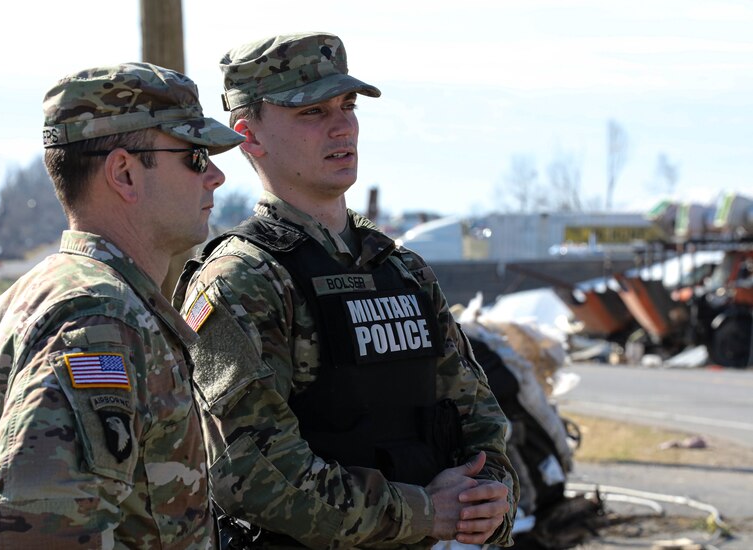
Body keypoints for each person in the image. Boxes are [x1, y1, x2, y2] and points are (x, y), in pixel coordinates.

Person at [173, 32, 519, 548]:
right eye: (311, 112)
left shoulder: (402, 270)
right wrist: (424, 513)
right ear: (249, 136)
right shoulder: (242, 281)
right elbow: (253, 475)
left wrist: (490, 495)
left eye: (348, 105)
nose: (342, 126)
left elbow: (480, 419)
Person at [0, 62, 244, 547]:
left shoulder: (28, 300)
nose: (217, 176)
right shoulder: (98, 318)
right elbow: (46, 534)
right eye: (196, 156)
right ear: (124, 173)